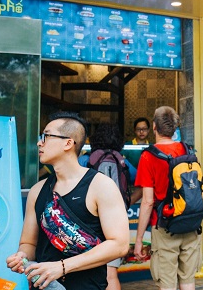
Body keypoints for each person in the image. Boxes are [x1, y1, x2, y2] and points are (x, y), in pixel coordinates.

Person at [6, 112, 129, 290]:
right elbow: (29, 243)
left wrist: (62, 267)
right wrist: (22, 256)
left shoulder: (101, 186)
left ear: (68, 143)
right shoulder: (37, 191)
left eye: (46, 136)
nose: (39, 143)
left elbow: (119, 245)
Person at [133, 106, 200, 290]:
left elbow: (148, 202)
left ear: (154, 126)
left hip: (164, 226)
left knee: (167, 284)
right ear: (174, 128)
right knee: (188, 281)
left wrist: (139, 240)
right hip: (190, 222)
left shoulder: (148, 156)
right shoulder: (187, 150)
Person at [77, 123, 139, 290]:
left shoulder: (84, 160)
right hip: (115, 222)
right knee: (110, 274)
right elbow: (142, 185)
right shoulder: (123, 162)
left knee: (84, 273)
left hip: (88, 221)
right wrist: (126, 203)